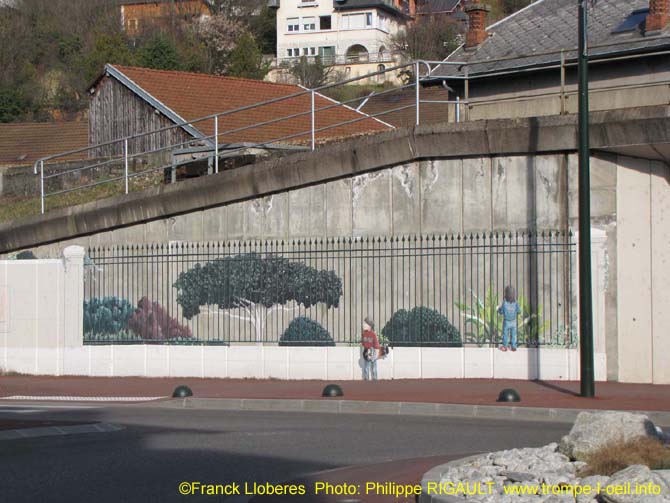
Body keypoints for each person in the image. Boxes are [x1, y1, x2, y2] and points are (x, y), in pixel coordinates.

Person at [498, 286, 521, 352]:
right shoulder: (516, 302)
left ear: (506, 294)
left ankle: (505, 347)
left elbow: (501, 311)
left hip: (506, 321)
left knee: (505, 334)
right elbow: (519, 311)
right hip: (513, 321)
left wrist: (498, 309)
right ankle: (513, 347)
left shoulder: (504, 302)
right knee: (514, 335)